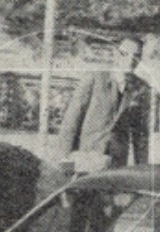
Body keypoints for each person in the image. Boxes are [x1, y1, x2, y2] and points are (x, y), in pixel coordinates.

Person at [58, 37, 151, 172]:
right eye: (125, 54)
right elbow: (71, 121)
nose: (131, 60)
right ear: (116, 54)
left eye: (136, 56)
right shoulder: (95, 78)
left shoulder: (141, 88)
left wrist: (142, 169)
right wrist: (65, 159)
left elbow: (141, 135)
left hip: (117, 163)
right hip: (86, 159)